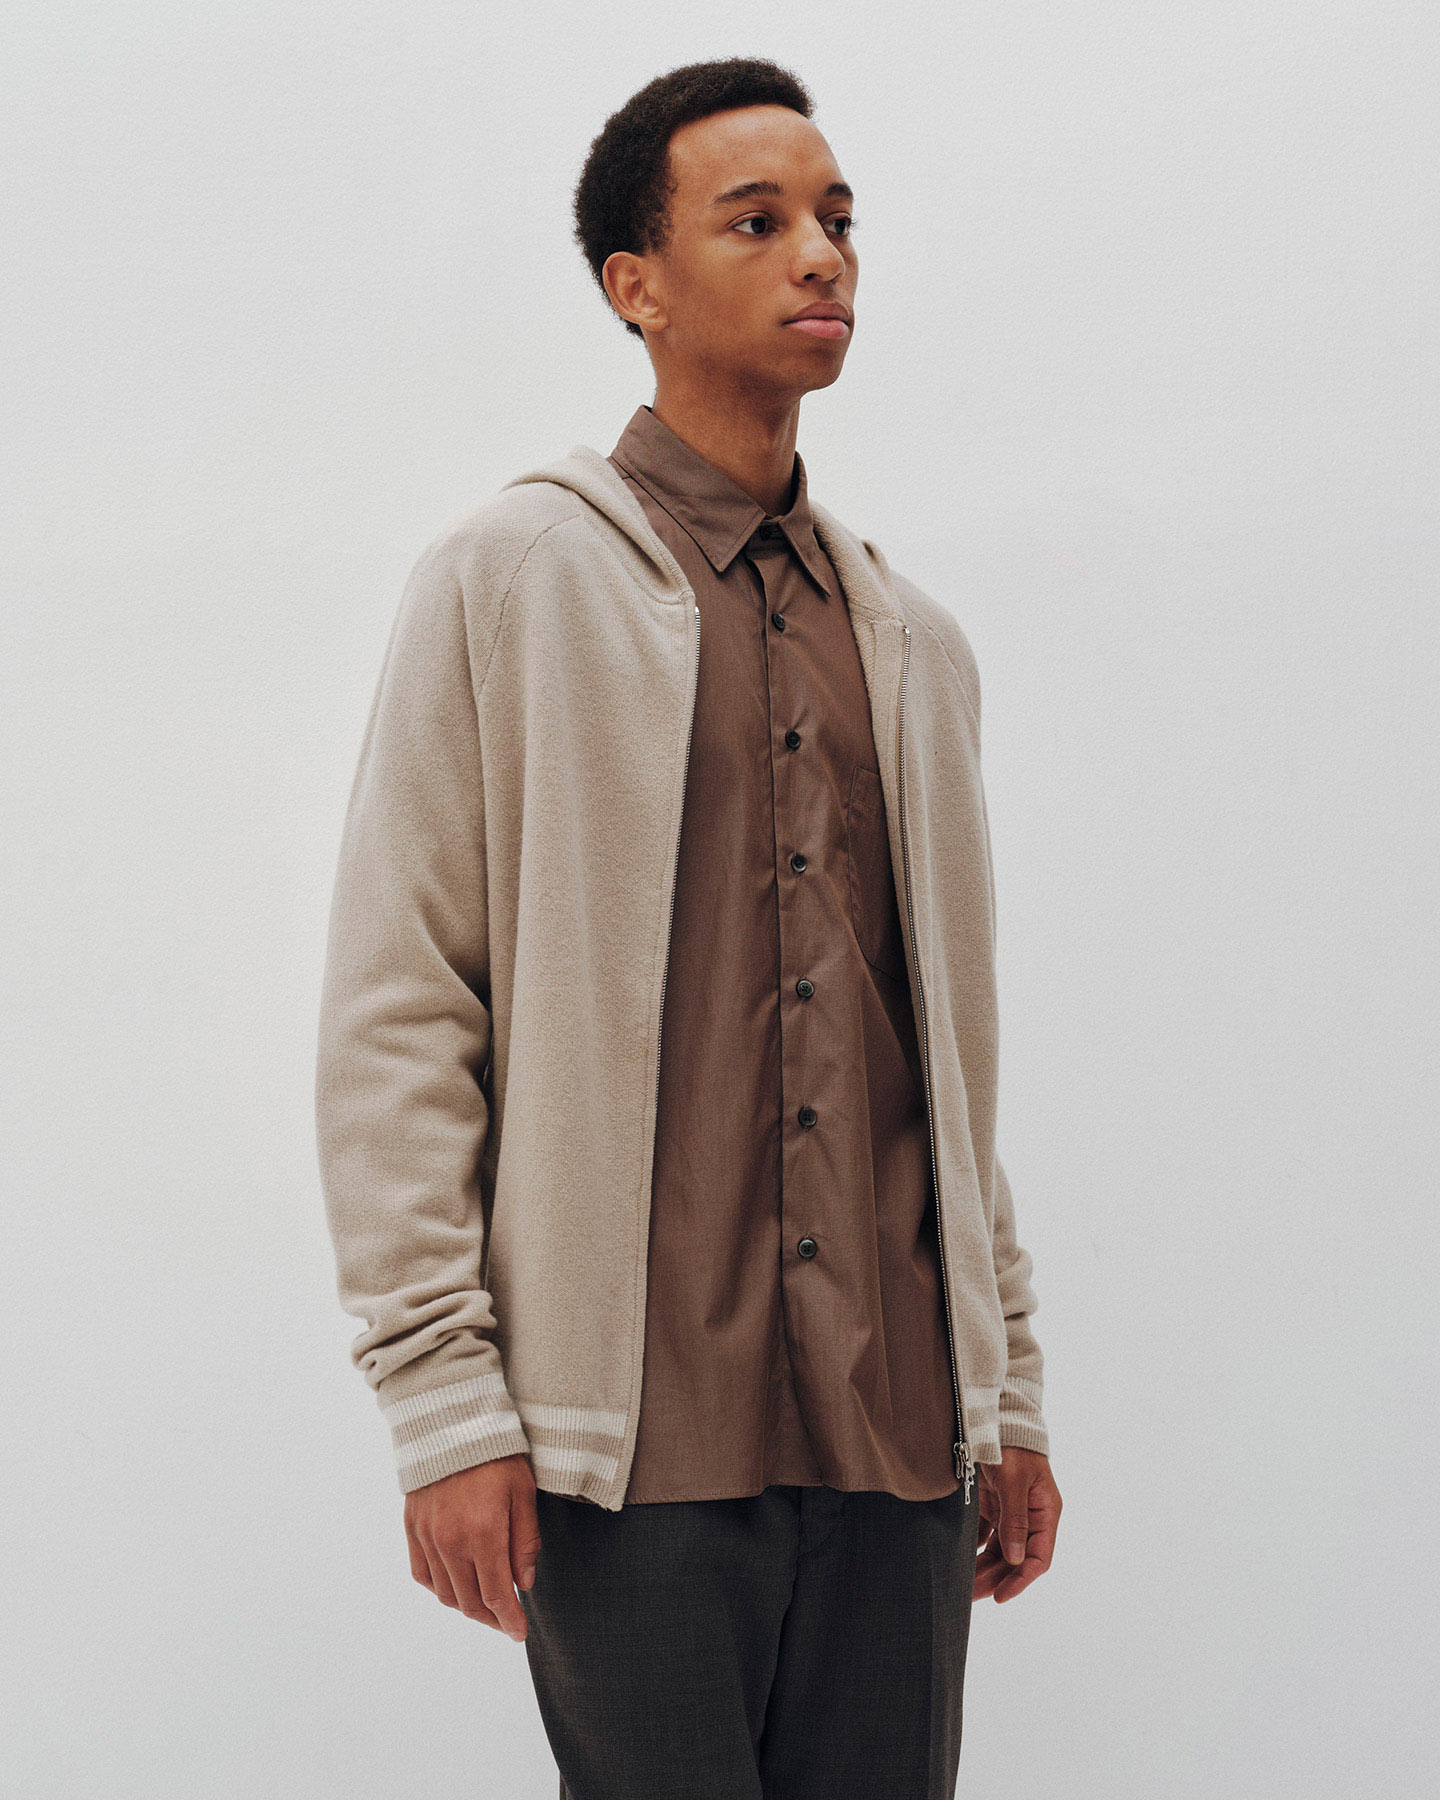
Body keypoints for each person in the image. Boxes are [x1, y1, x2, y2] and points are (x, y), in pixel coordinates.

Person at [314, 54, 1062, 1800]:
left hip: (899, 1450)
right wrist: (443, 1404)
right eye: (759, 220)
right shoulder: (513, 580)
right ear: (633, 286)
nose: (823, 254)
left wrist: (1007, 1392)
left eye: (840, 219)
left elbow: (948, 1073)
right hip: (626, 1460)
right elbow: (401, 1007)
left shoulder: (916, 648)